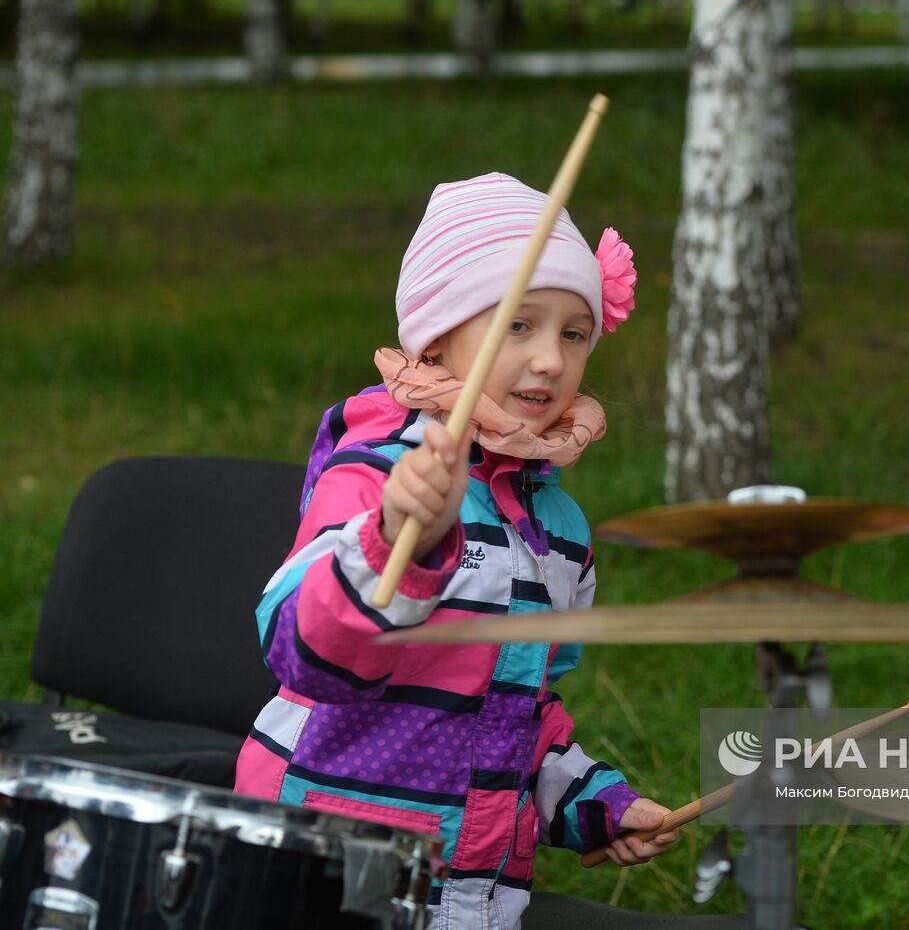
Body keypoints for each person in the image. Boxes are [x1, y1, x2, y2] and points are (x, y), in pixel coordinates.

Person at [235, 173, 677, 928]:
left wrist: (593, 802)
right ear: (436, 337)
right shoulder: (375, 471)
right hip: (328, 868)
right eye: (519, 325)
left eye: (574, 334)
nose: (549, 361)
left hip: (471, 894)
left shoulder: (560, 531)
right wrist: (399, 541)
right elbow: (299, 650)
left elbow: (518, 716)